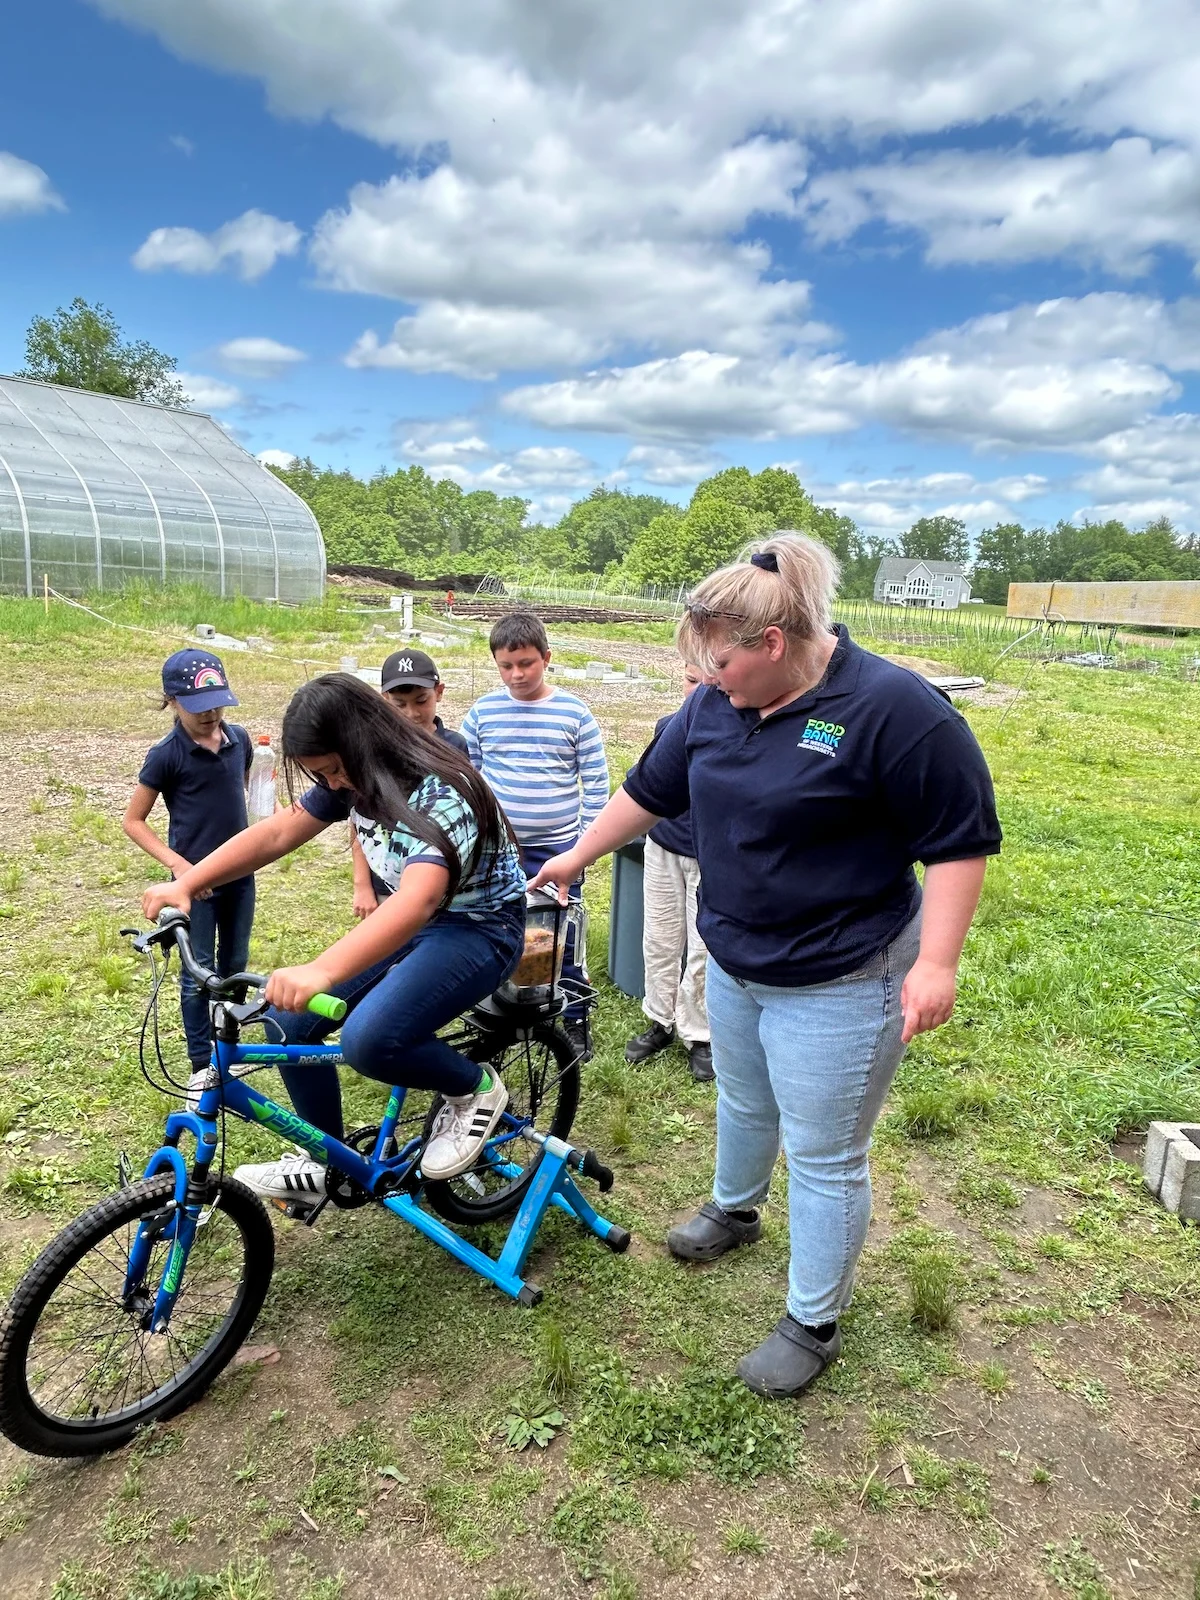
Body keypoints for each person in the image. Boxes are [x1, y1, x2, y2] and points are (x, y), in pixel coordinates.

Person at [530, 534, 1001, 1400]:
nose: (710, 679)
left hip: (846, 972)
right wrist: (577, 854)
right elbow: (650, 789)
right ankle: (735, 1208)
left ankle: (812, 1322)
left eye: (720, 663)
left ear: (773, 644)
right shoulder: (714, 706)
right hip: (738, 955)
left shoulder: (897, 711)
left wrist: (938, 962)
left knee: (825, 1154)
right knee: (743, 1096)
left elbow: (960, 842)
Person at [142, 672, 527, 1200]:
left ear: (362, 743)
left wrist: (321, 971)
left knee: (369, 1040)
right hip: (418, 919)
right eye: (321, 775)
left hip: (481, 928)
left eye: (332, 771)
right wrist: (187, 881)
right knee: (285, 1023)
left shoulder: (444, 790)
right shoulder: (354, 778)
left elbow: (418, 900)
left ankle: (474, 1089)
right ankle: (327, 1157)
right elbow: (277, 832)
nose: (332, 784)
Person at [461, 611, 609, 1059]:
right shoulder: (483, 711)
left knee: (561, 935)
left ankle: (574, 1018)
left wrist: (582, 849)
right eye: (506, 665)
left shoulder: (574, 714)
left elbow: (598, 788)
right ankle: (503, 1009)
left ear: (546, 658)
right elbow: (469, 779)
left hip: (559, 852)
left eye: (526, 663)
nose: (517, 674)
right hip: (500, 851)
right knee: (500, 929)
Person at [124, 650, 255, 1094]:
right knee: (196, 971)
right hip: (194, 888)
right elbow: (133, 821)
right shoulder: (166, 755)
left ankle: (226, 1047)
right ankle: (202, 1060)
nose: (211, 714)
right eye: (199, 707)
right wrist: (179, 867)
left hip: (240, 877)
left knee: (235, 963)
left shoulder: (239, 740)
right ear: (173, 701)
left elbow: (249, 794)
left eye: (218, 702)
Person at [624, 662, 713, 1082]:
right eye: (690, 679)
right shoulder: (667, 727)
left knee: (702, 947)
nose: (696, 690)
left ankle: (699, 1035)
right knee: (659, 937)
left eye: (705, 681)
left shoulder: (731, 731)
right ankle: (660, 1020)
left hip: (708, 856)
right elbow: (646, 786)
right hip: (663, 847)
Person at [350, 648, 468, 920]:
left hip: (439, 883)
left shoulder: (455, 747)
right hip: (385, 882)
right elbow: (360, 818)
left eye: (421, 700)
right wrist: (362, 884)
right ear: (384, 699)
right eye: (399, 704)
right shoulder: (374, 751)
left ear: (439, 692)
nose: (412, 713)